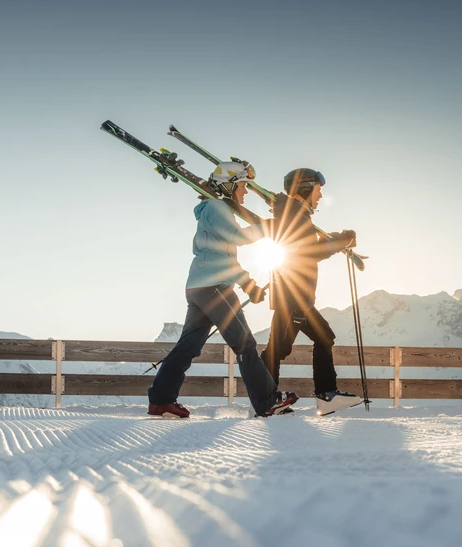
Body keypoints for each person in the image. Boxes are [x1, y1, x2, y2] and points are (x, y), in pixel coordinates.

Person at [147, 162, 298, 419]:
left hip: (201, 286)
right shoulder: (217, 207)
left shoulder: (214, 210)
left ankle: (161, 401)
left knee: (188, 346)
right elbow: (238, 238)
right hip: (214, 288)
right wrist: (270, 226)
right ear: (229, 185)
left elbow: (226, 257)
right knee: (245, 344)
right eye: (243, 186)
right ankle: (267, 402)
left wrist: (249, 285)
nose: (246, 191)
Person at [262, 168, 362, 415]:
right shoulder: (295, 215)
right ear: (305, 188)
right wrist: (340, 241)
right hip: (293, 297)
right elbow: (308, 252)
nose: (320, 196)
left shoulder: (295, 214)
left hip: (295, 295)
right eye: (318, 190)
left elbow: (308, 247)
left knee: (318, 339)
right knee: (278, 350)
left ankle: (323, 395)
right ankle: (265, 399)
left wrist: (339, 240)